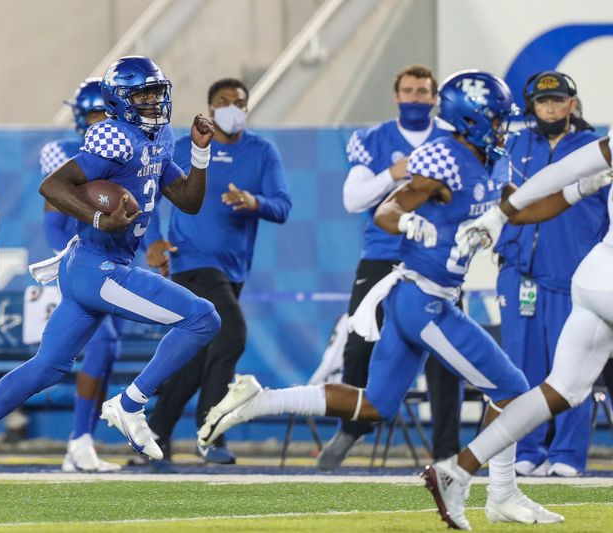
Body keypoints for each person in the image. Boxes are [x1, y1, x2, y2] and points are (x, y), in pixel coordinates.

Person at [199, 70, 567, 525]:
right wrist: (408, 222)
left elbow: (524, 208)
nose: (501, 129)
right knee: (512, 389)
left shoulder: (492, 161)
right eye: (494, 120)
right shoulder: (445, 159)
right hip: (423, 301)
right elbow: (389, 208)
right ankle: (498, 491)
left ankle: (260, 400)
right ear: (470, 120)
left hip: (422, 299)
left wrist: (580, 187)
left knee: (376, 404)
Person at [0, 55, 220, 502]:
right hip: (95, 266)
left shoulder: (161, 136)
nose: (153, 102)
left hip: (99, 266)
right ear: (120, 100)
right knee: (203, 319)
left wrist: (200, 153)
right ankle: (130, 402)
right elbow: (54, 186)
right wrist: (100, 220)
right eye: (142, 94)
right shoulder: (114, 136)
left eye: (156, 93)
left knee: (47, 367)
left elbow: (187, 199)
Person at [423, 137, 613, 530]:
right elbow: (567, 172)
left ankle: (458, 470)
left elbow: (563, 170)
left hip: (595, 272)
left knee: (563, 390)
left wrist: (500, 214)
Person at [319, 64, 461, 470]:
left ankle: (447, 450)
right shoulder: (374, 139)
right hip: (382, 254)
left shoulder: (452, 140)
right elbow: (353, 199)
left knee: (445, 353)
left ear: (434, 98)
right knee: (359, 344)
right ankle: (351, 427)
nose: (416, 98)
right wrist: (393, 174)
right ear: (396, 95)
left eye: (423, 92)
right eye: (409, 91)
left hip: (438, 259)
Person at [145, 77, 291, 466]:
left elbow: (282, 206)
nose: (233, 107)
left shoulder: (262, 152)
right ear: (210, 109)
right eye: (224, 101)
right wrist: (153, 242)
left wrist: (253, 200)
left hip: (233, 270)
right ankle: (210, 433)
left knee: (195, 359)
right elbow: (147, 194)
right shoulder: (183, 147)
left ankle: (155, 431)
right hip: (191, 263)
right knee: (232, 336)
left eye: (239, 102)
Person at [493, 71, 606, 478]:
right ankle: (527, 448)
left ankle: (568, 454)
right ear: (532, 107)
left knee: (573, 367)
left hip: (572, 275)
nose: (551, 108)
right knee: (521, 365)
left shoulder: (594, 148)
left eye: (558, 101)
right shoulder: (517, 146)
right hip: (518, 273)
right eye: (543, 103)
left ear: (572, 104)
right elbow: (499, 196)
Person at [39, 78, 120, 473]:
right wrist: (66, 256)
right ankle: (78, 439)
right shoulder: (65, 155)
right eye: (93, 114)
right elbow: (53, 222)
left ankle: (82, 440)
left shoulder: (124, 151)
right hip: (78, 266)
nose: (101, 121)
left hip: (108, 262)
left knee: (110, 348)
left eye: (106, 113)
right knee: (99, 345)